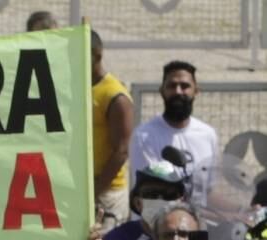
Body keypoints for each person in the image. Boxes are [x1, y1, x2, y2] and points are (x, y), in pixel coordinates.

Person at [130, 61, 217, 208]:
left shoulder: (208, 135)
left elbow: (208, 193)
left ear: (196, 91)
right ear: (162, 91)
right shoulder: (144, 137)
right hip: (156, 226)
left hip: (197, 225)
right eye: (172, 86)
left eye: (185, 86)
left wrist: (241, 212)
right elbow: (155, 196)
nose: (178, 91)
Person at [90, 31, 134, 226]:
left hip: (107, 192)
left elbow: (122, 150)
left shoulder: (115, 95)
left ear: (97, 55)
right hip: (86, 189)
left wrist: (94, 191)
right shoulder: (81, 86)